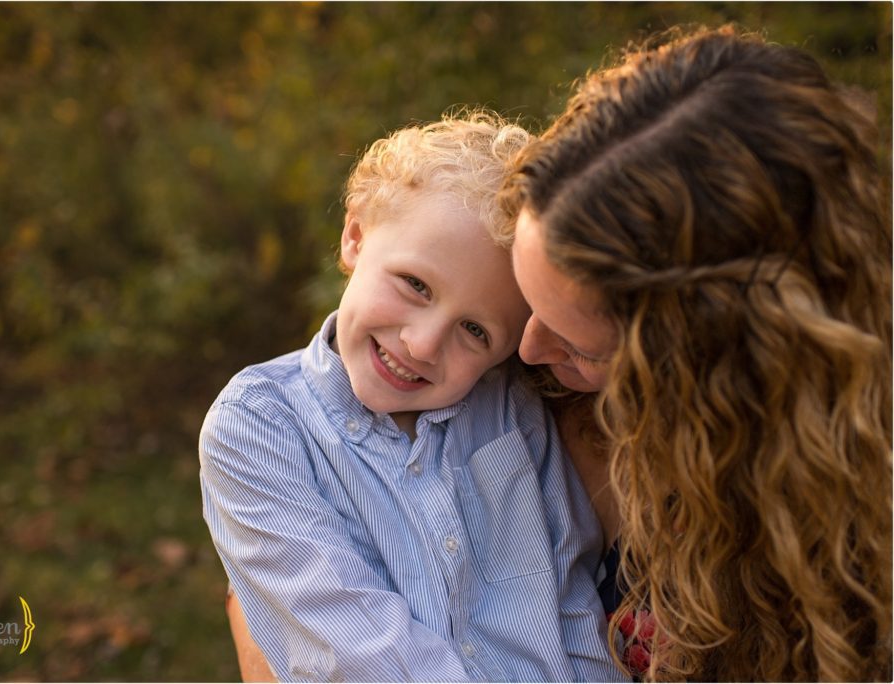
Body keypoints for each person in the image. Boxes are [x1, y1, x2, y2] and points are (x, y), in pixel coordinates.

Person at [502, 26, 892, 681]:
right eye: (523, 301)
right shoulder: (538, 395)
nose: (527, 346)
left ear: (711, 365)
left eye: (579, 344)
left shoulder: (857, 537)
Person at [199, 111, 626, 682]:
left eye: (475, 332)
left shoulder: (509, 414)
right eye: (415, 285)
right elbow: (352, 652)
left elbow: (572, 606)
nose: (422, 345)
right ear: (355, 236)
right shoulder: (257, 429)